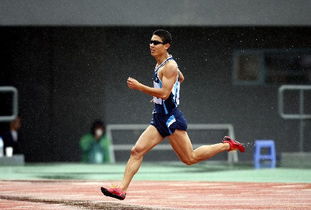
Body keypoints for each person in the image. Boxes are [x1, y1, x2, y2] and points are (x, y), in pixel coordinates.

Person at [101, 29, 245, 200]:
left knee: (190, 158)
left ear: (166, 45)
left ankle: (227, 145)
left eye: (156, 43)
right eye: (151, 42)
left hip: (171, 118)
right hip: (159, 117)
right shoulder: (161, 63)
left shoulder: (170, 66)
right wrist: (162, 93)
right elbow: (179, 79)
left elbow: (164, 93)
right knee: (137, 151)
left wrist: (140, 87)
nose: (151, 45)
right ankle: (122, 189)